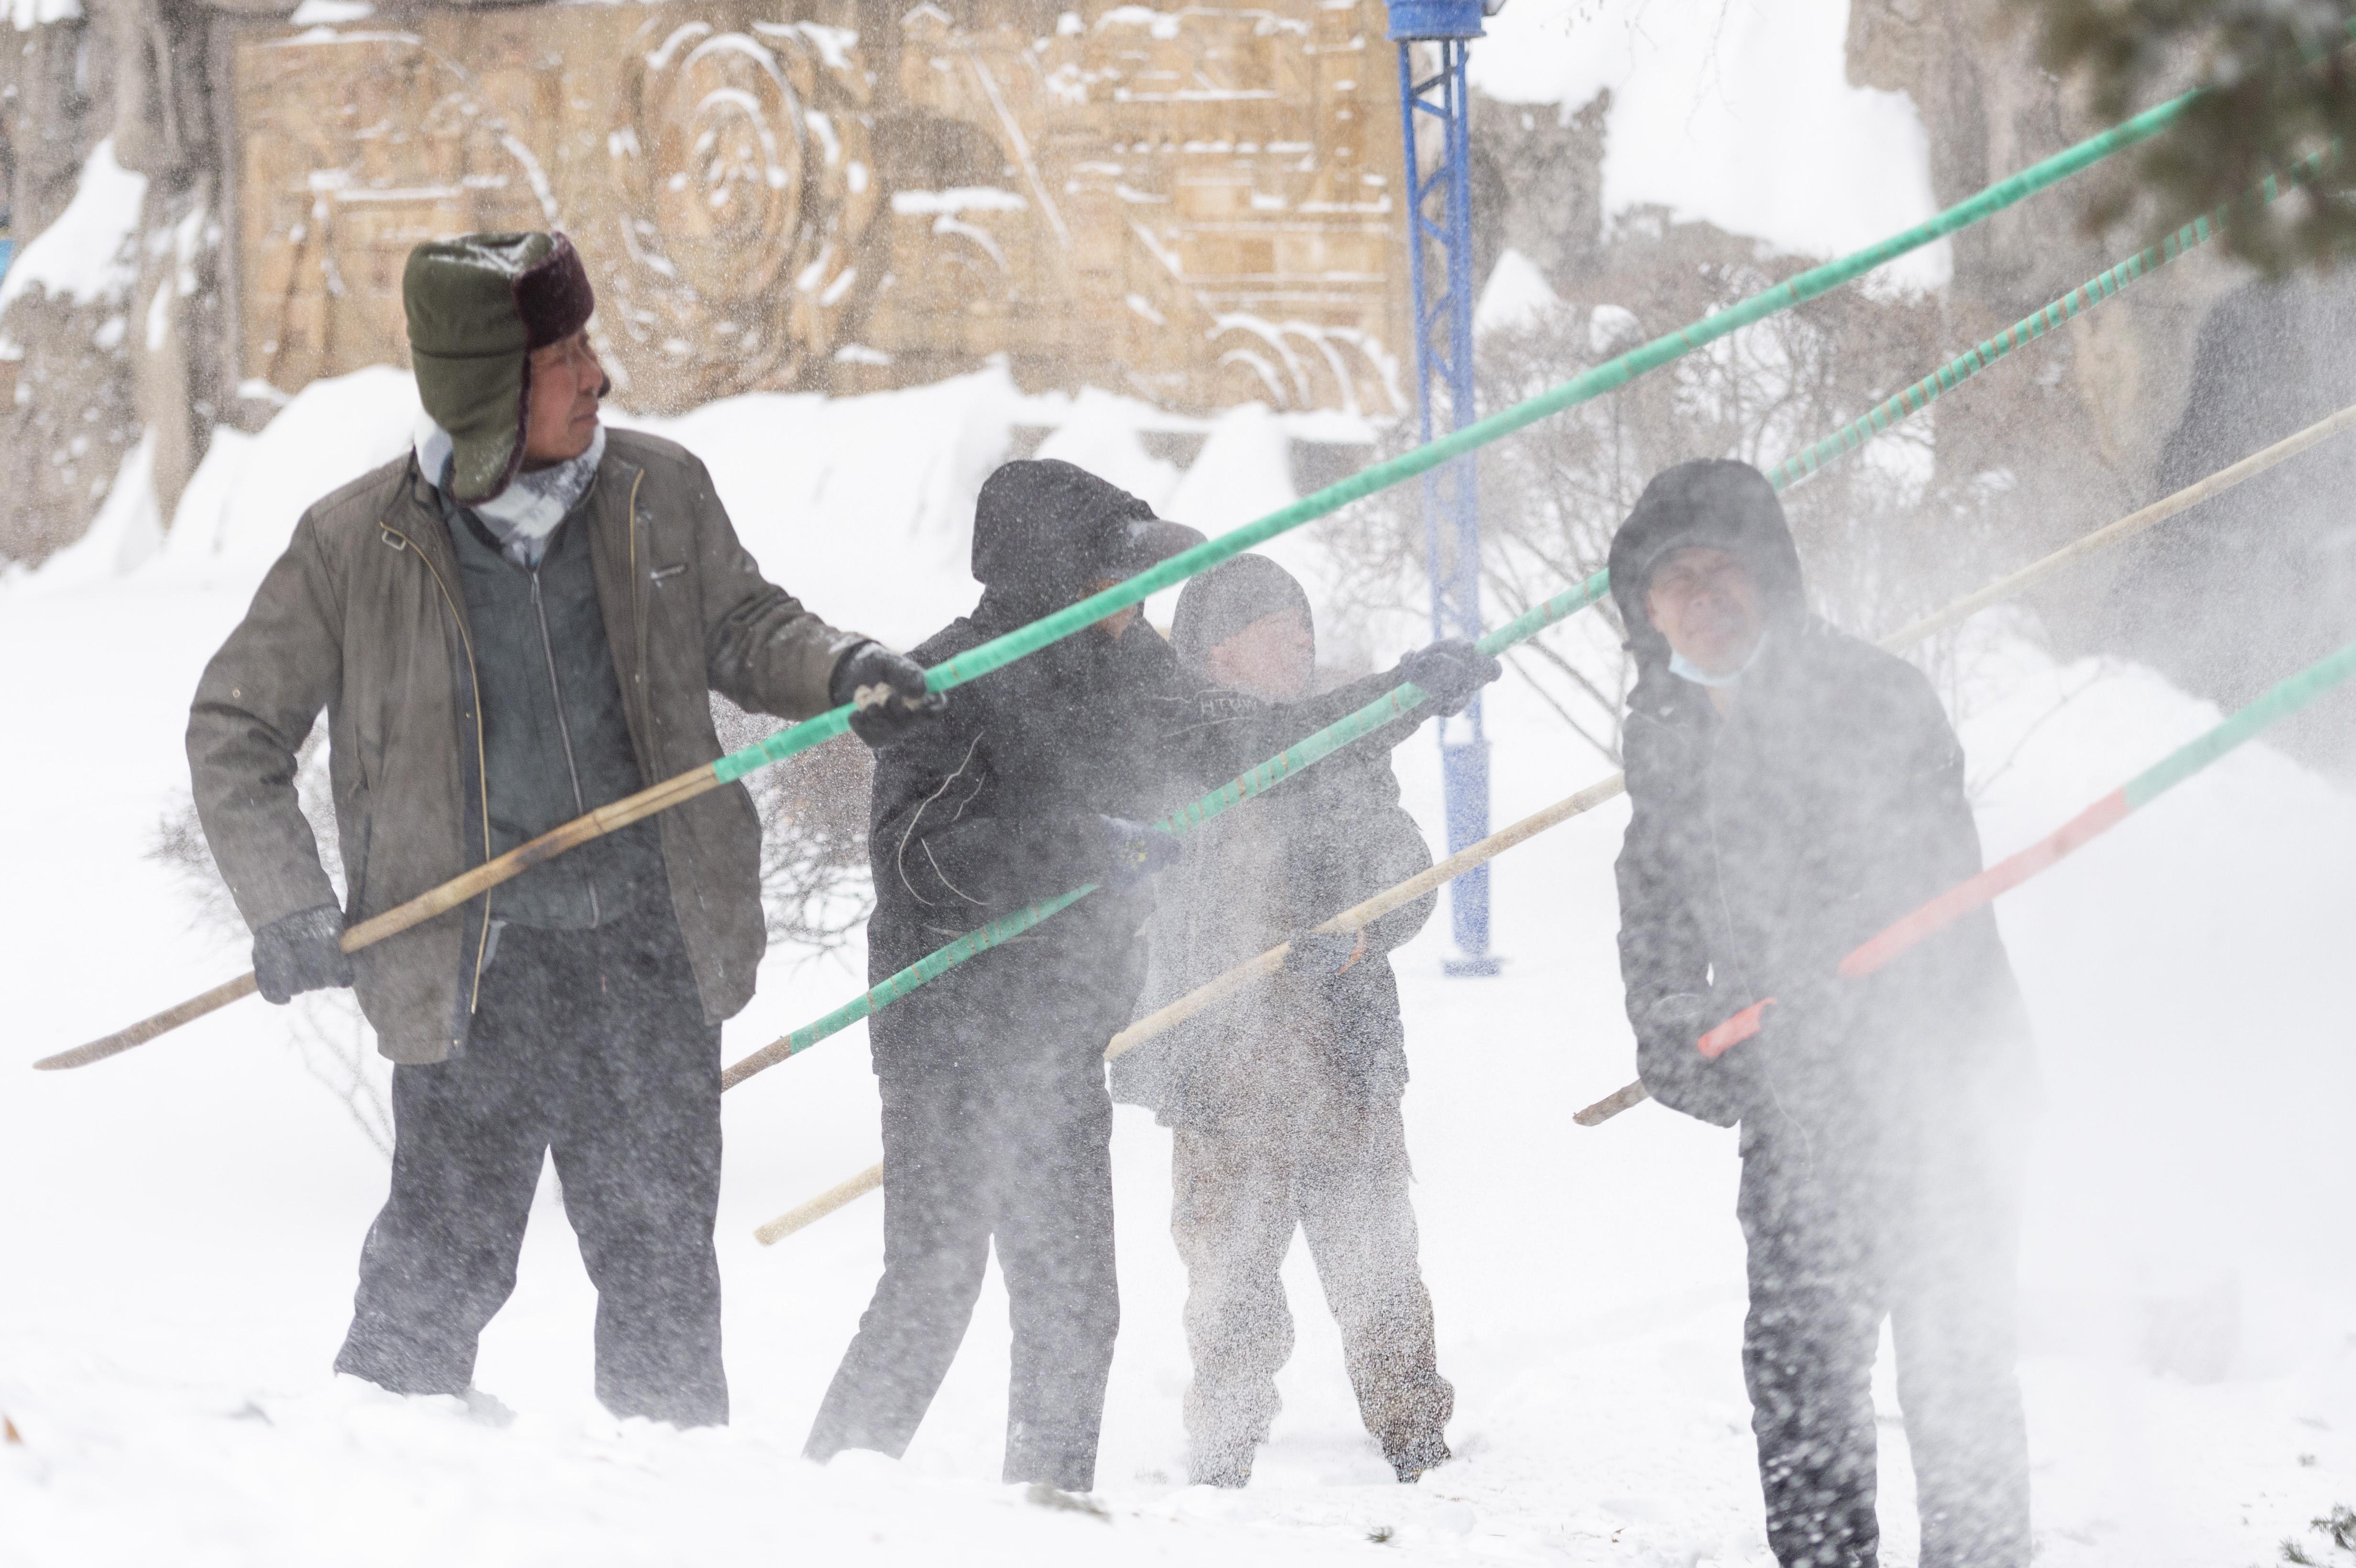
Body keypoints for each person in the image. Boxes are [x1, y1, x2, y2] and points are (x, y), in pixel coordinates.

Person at [186, 231, 940, 1427]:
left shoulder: (658, 492)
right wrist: (288, 902)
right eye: (565, 354)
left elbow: (745, 625)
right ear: (490, 389)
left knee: (661, 1282)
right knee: (435, 1277)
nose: (597, 377)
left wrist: (844, 666)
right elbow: (235, 729)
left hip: (647, 953)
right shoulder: (356, 545)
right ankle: (380, 1496)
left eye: (587, 346)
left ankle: (666, 1514)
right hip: (473, 971)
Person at [803, 460, 1499, 1495]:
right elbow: (916, 861)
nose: (1140, 600)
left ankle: (1044, 1511)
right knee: (933, 1286)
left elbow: (1252, 743)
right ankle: (818, 1507)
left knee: (1075, 1302)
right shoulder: (947, 680)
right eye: (1119, 576)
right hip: (950, 1034)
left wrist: (1395, 698)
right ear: (1055, 577)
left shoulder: (1127, 670)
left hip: (1061, 1027)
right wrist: (1080, 846)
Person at [1608, 459, 2035, 1568]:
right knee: (1800, 1379)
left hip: (1935, 1083)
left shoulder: (1873, 693)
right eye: (1675, 578)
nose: (1702, 595)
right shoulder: (1662, 727)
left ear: (1774, 582)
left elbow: (1918, 875)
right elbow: (1653, 889)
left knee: (1953, 1370)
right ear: (1643, 609)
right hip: (1795, 1110)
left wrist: (1808, 995)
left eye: (1724, 570)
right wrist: (1665, 1022)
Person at [1109, 554, 1454, 1488]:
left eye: (1303, 622)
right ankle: (1224, 1437)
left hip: (1342, 1058)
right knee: (1228, 1278)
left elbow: (1407, 875)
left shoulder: (1340, 747)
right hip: (1222, 1074)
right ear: (1215, 648)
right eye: (1275, 623)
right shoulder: (1174, 755)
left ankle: (1413, 1426)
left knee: (1377, 1257)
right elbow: (1145, 909)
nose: (1299, 638)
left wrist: (1353, 931)